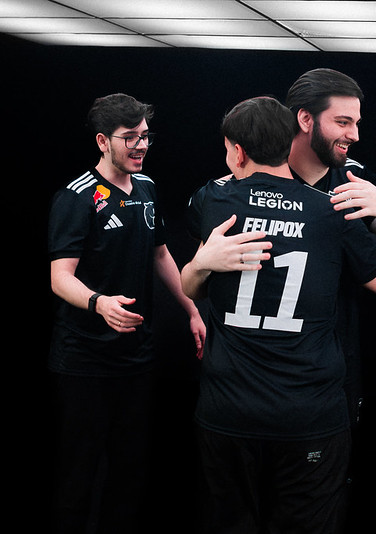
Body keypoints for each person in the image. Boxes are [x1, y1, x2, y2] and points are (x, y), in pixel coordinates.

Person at [181, 96, 376, 534]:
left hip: (228, 408)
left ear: (238, 152)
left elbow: (191, 286)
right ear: (289, 143)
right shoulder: (330, 210)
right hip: (308, 412)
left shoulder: (213, 200)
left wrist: (199, 265)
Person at [48, 93, 205, 534]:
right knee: (79, 472)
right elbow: (60, 277)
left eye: (146, 136)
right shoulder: (78, 197)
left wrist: (192, 310)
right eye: (130, 137)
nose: (141, 145)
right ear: (103, 141)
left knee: (129, 469)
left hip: (136, 357)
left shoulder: (148, 188)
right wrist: (99, 303)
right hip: (84, 359)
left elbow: (161, 255)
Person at [285, 68, 376, 426]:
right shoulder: (265, 172)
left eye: (356, 123)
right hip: (262, 356)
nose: (354, 135)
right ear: (305, 119)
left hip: (331, 359)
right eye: (343, 122)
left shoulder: (354, 177)